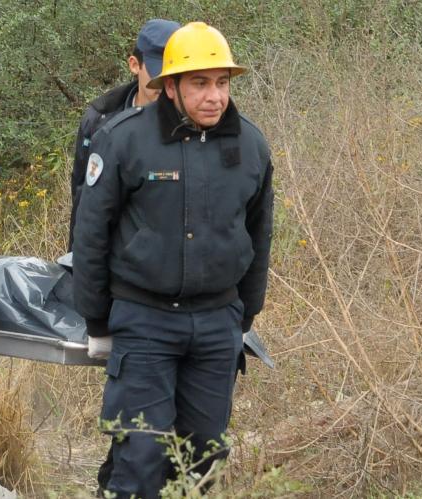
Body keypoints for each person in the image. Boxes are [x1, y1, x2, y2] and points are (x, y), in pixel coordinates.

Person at [73, 22, 273, 498]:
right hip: (144, 321)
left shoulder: (250, 145)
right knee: (140, 457)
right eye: (200, 83)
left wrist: (245, 314)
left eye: (222, 82)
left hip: (216, 323)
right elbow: (91, 234)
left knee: (203, 459)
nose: (214, 96)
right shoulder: (124, 139)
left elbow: (259, 234)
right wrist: (96, 320)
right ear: (171, 86)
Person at [68, 19, 179, 251]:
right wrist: (75, 260)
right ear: (134, 65)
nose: (166, 84)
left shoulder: (195, 123)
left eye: (175, 75)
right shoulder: (100, 119)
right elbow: (82, 198)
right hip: (113, 259)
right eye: (158, 74)